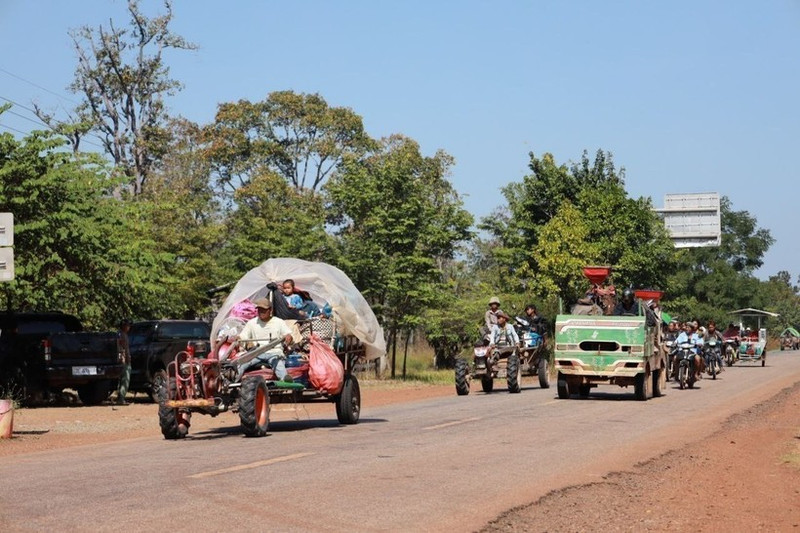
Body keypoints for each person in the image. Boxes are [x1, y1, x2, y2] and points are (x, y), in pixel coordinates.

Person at [236, 298, 294, 382]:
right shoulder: (251, 323)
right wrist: (238, 338)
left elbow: (288, 334)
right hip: (256, 352)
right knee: (241, 364)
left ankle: (285, 380)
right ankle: (232, 380)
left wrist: (288, 337)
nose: (261, 312)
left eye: (263, 310)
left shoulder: (279, 322)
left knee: (278, 364)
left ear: (270, 310)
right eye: (259, 310)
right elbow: (243, 337)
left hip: (274, 352)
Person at [116, 319, 132, 405]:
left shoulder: (122, 334)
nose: (129, 327)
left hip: (124, 359)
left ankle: (120, 397)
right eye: (127, 325)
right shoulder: (121, 335)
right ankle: (121, 398)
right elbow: (122, 348)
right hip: (123, 359)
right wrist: (125, 358)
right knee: (125, 378)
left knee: (123, 379)